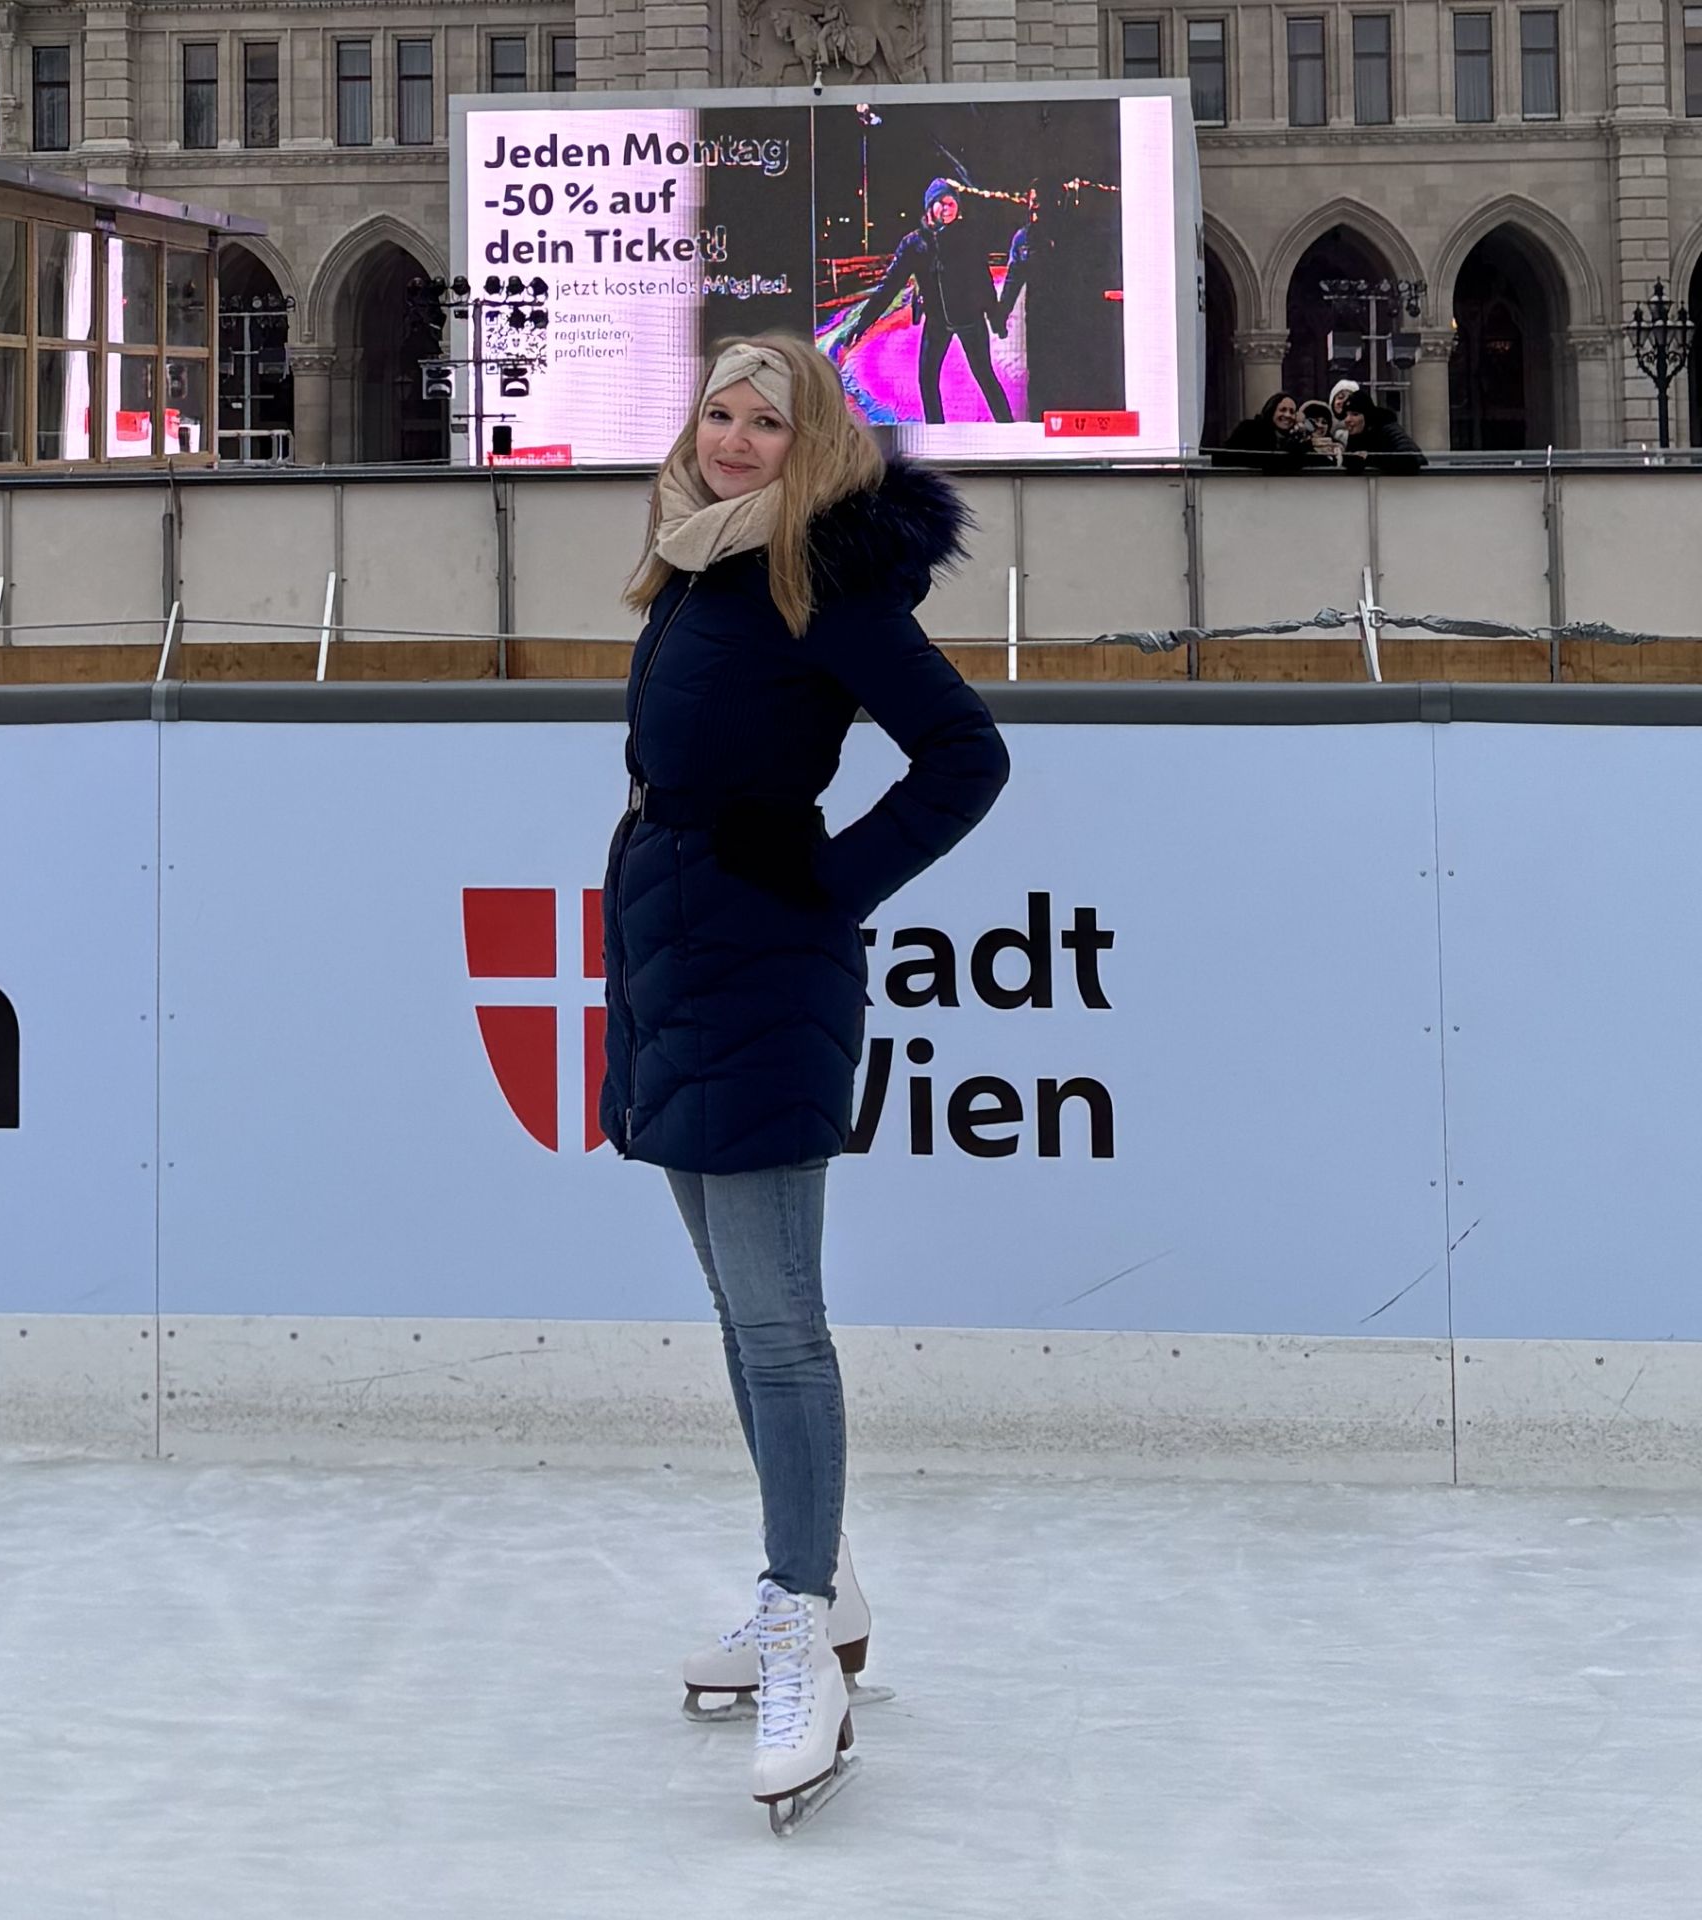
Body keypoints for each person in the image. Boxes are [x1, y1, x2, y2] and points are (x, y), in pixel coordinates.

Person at [601, 334, 1009, 1833]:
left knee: (779, 1325)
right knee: (736, 1307)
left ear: (816, 440)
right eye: (718, 411)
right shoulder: (695, 561)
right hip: (674, 949)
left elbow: (965, 756)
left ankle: (800, 1631)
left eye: (766, 421)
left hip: (764, 963)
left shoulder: (821, 580)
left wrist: (834, 883)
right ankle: (824, 1591)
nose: (733, 437)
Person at [841, 179, 1014, 424]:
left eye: (952, 203)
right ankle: (936, 431)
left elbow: (982, 281)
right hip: (937, 323)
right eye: (942, 202)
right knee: (927, 379)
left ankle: (1008, 427)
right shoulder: (915, 244)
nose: (948, 208)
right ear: (929, 206)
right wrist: (863, 323)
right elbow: (889, 287)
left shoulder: (967, 237)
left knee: (985, 375)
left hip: (970, 321)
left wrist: (994, 316)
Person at [996, 174, 1126, 417]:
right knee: (1041, 379)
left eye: (1040, 201)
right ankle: (1041, 426)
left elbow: (1096, 272)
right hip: (1040, 321)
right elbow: (1013, 279)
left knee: (1072, 378)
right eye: (1032, 201)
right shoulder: (1024, 239)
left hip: (1074, 319)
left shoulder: (1078, 234)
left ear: (1057, 202)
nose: (1035, 207)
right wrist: (1001, 314)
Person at [1210, 392, 1325, 473]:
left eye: (1292, 412)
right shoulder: (1251, 429)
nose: (1287, 415)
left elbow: (1316, 464)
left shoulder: (1295, 438)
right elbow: (1274, 464)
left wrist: (1304, 440)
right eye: (1282, 410)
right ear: (1271, 410)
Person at [1340, 387, 1426, 473]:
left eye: (1355, 414)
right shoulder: (1356, 435)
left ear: (1367, 416)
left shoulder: (1387, 428)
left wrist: (1370, 458)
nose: (1347, 420)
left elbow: (1411, 460)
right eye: (1345, 415)